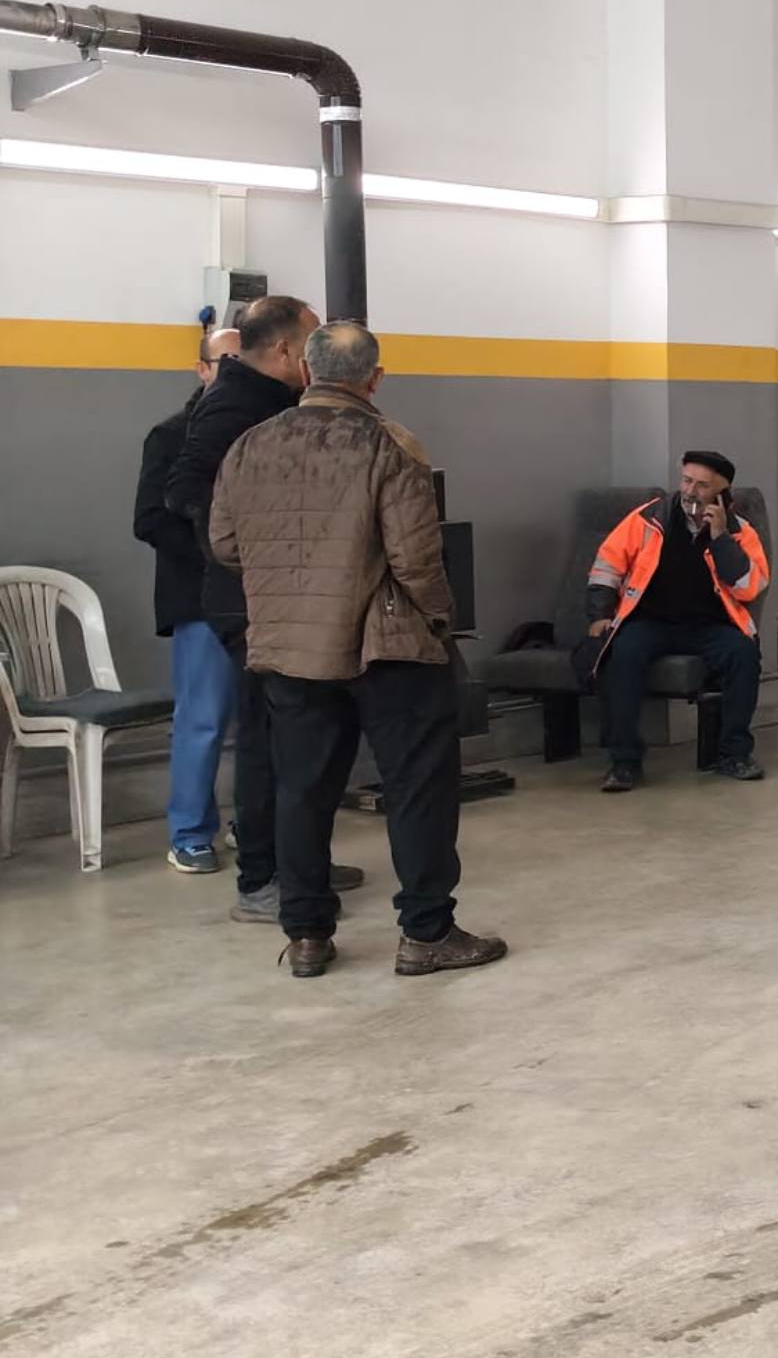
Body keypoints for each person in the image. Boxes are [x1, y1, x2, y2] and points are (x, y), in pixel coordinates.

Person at [209, 321, 504, 981]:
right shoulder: (388, 444)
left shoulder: (250, 445)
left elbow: (224, 544)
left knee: (302, 789)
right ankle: (427, 933)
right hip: (386, 647)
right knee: (418, 787)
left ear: (306, 371)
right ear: (374, 378)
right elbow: (415, 558)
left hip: (290, 646)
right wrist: (440, 618)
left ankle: (307, 935)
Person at [165, 294, 361, 922]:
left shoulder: (274, 400)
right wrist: (249, 558)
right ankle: (261, 878)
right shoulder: (235, 405)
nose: (315, 357)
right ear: (283, 349)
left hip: (280, 599)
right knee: (267, 740)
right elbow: (186, 492)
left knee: (305, 739)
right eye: (309, 344)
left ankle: (299, 864)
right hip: (250, 604)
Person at [589, 451, 771, 792]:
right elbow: (607, 566)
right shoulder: (648, 519)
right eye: (687, 481)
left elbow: (750, 588)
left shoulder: (741, 532)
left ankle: (735, 754)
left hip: (711, 625)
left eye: (702, 485)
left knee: (743, 654)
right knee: (622, 655)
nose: (690, 491)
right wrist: (599, 615)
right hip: (651, 621)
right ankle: (624, 762)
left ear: (722, 493)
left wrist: (721, 538)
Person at [134, 326, 244, 872]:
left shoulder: (263, 429)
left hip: (262, 597)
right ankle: (191, 833)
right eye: (225, 364)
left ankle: (254, 823)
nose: (236, 374)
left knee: (268, 717)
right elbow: (149, 520)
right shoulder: (171, 435)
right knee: (203, 719)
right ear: (202, 370)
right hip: (200, 598)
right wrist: (216, 556)